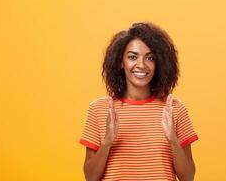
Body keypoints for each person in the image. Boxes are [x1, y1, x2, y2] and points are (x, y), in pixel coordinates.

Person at [79, 22, 198, 181]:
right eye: (132, 57)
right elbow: (90, 178)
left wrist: (173, 140)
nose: (141, 65)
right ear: (121, 62)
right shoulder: (99, 109)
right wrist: (107, 142)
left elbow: (188, 177)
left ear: (159, 63)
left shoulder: (175, 109)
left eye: (150, 58)